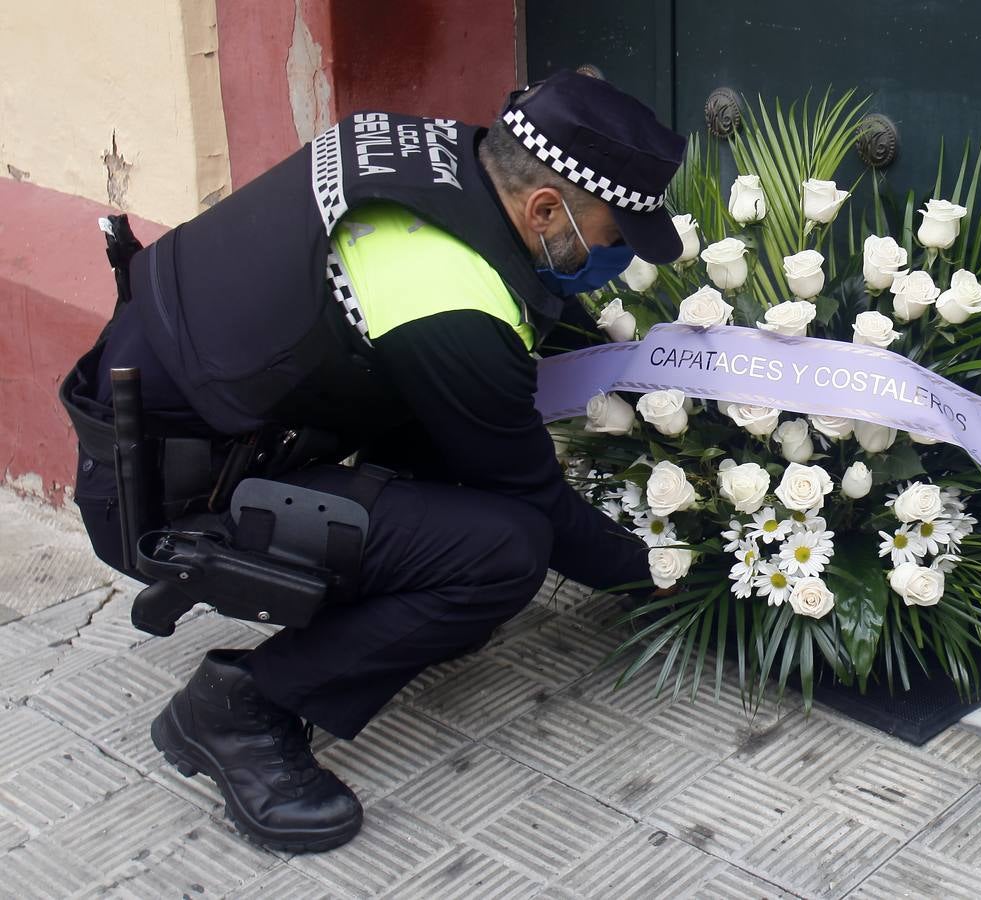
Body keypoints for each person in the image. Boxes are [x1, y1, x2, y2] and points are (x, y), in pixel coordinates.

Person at [61, 70, 685, 851]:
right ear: (546, 208)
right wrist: (664, 577)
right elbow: (539, 503)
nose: (616, 258)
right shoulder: (447, 297)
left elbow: (513, 330)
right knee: (503, 552)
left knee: (460, 459)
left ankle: (371, 600)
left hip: (184, 423)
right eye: (614, 237)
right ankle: (241, 708)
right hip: (165, 496)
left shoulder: (438, 158)